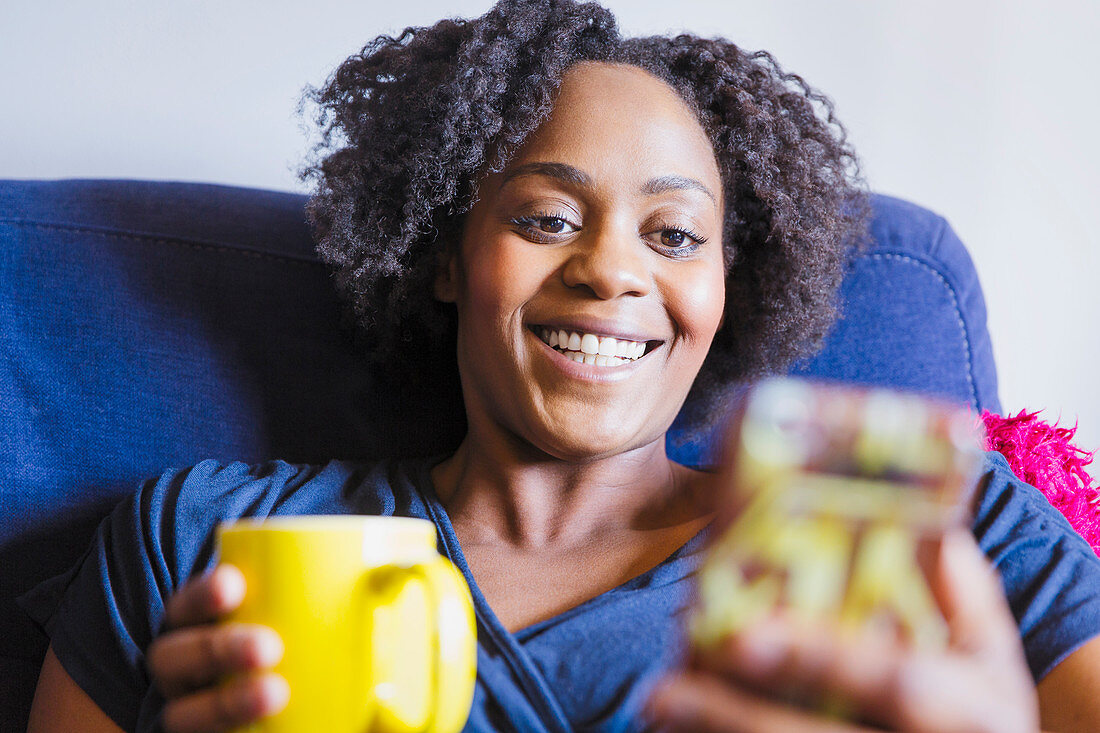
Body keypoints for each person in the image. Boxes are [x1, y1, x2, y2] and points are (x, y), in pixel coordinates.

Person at [22, 1, 1100, 731]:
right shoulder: (199, 539)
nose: (609, 270)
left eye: (672, 236)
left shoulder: (912, 524)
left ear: (727, 289)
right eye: (545, 217)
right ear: (445, 256)